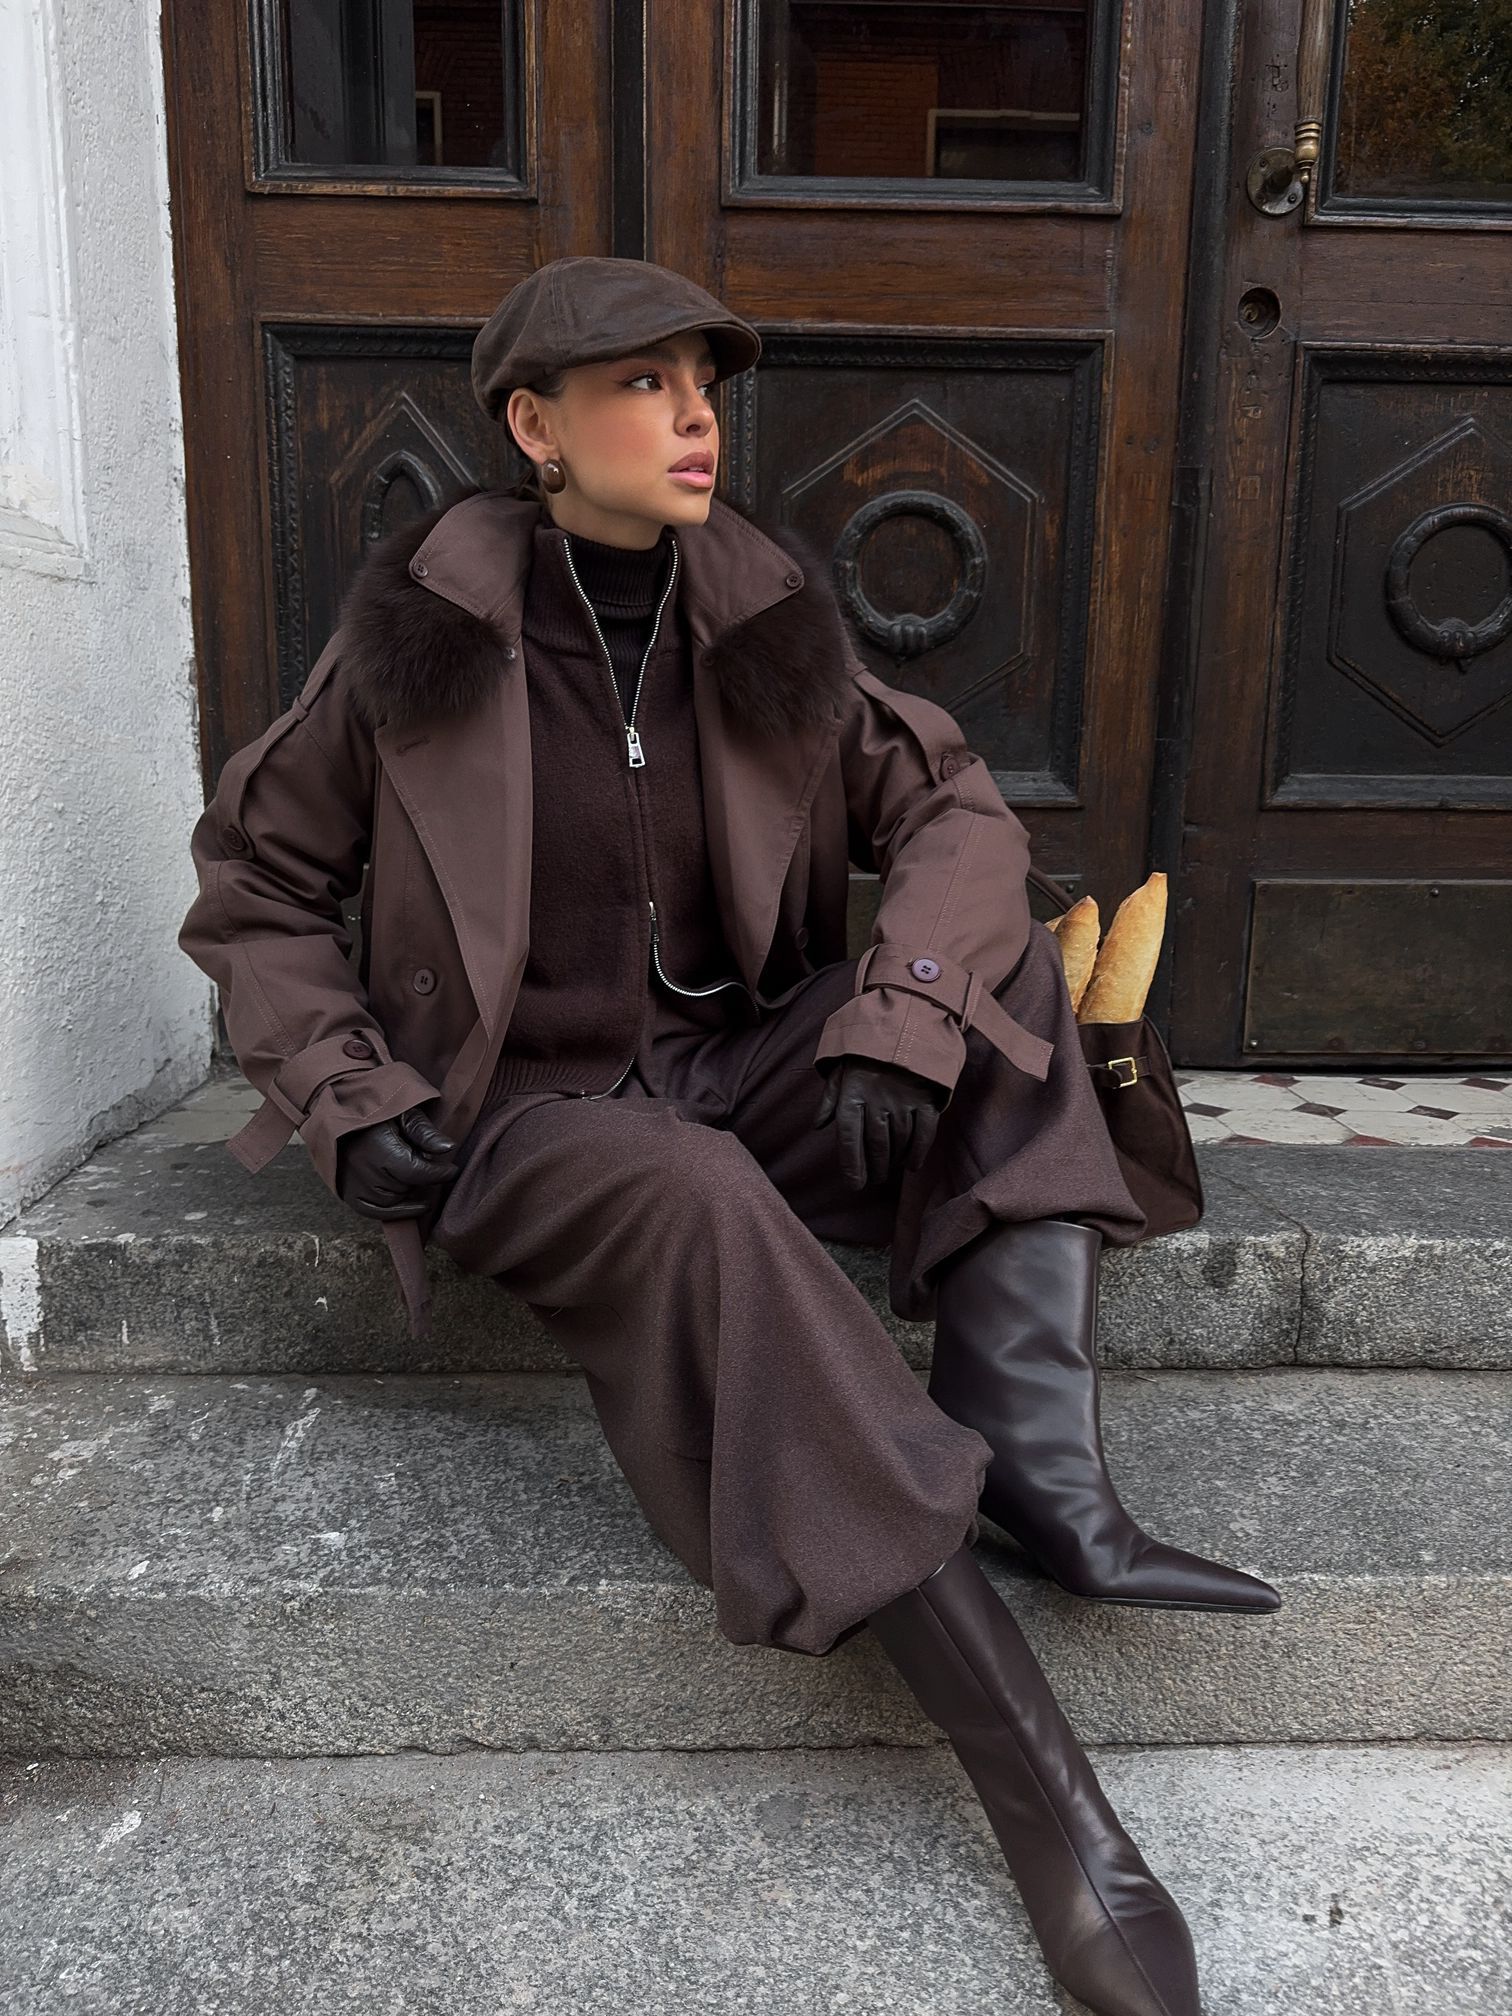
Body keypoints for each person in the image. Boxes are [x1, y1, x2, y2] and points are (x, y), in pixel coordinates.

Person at [179, 255, 1279, 2016]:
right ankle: (1058, 1818)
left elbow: (956, 817)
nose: (694, 417)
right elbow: (258, 887)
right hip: (527, 1122)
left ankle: (1049, 1484)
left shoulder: (760, 617)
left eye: (702, 383)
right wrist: (345, 1089)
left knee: (992, 977)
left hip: (728, 1066)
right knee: (694, 1195)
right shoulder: (421, 639)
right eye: (642, 384)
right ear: (536, 427)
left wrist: (899, 1015)